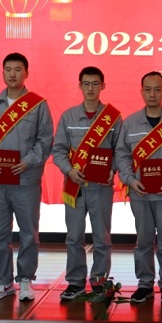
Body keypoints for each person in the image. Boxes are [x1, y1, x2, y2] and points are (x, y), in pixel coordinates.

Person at [0, 53, 53, 302]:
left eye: (18, 69)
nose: (12, 74)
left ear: (26, 73)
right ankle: (3, 281)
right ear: (3, 73)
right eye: (8, 69)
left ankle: (26, 279)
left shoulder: (38, 105)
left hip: (26, 180)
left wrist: (27, 161)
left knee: (28, 233)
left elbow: (45, 141)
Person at [116, 71, 162, 305]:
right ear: (141, 92)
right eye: (148, 89)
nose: (152, 94)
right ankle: (145, 284)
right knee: (143, 240)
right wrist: (130, 180)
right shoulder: (130, 123)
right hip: (140, 193)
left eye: (157, 89)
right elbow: (122, 155)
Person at [52, 66, 123, 300]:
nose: (90, 88)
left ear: (103, 86)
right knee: (74, 237)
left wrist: (113, 169)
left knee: (102, 237)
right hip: (75, 187)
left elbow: (120, 151)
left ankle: (99, 281)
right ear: (79, 86)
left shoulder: (113, 118)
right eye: (86, 83)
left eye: (95, 84)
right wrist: (69, 170)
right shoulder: (68, 116)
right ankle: (75, 282)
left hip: (101, 188)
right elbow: (58, 150)